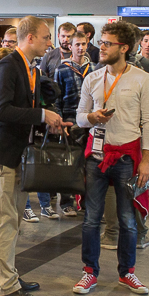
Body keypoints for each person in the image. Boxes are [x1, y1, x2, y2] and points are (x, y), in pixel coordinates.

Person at [0, 16, 69, 296]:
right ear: (29, 38)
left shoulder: (30, 67)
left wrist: (48, 122)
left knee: (14, 220)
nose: (49, 43)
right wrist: (42, 114)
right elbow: (1, 111)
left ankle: (10, 276)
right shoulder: (8, 66)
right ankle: (6, 286)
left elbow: (23, 110)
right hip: (1, 154)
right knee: (5, 221)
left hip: (17, 153)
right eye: (45, 37)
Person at [74, 20, 149, 296]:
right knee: (91, 219)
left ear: (124, 48)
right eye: (102, 42)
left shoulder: (142, 79)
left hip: (127, 158)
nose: (101, 47)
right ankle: (89, 272)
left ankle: (127, 272)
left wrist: (146, 160)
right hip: (96, 157)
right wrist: (92, 117)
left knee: (127, 220)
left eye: (108, 44)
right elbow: (79, 117)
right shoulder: (93, 78)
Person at [54, 31, 92, 218]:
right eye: (77, 44)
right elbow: (57, 99)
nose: (80, 48)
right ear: (70, 46)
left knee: (89, 165)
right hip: (70, 120)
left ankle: (85, 202)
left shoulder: (93, 69)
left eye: (83, 44)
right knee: (69, 163)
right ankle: (67, 202)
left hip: (90, 122)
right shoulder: (62, 69)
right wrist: (60, 122)